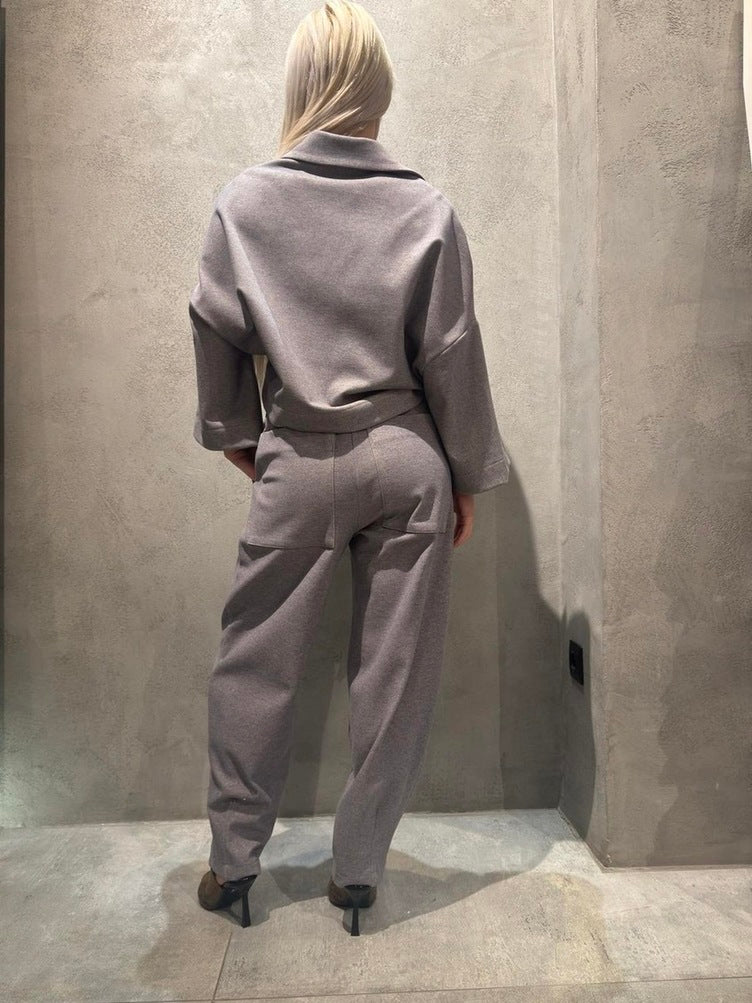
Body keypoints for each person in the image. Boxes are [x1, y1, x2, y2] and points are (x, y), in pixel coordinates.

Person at [191, 0, 511, 936]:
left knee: (253, 661)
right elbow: (451, 351)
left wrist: (239, 434)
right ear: (377, 89)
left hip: (295, 452)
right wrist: (464, 473)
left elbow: (213, 326)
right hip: (405, 457)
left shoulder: (245, 203)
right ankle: (359, 873)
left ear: (303, 85)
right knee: (395, 673)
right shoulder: (425, 207)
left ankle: (233, 864)